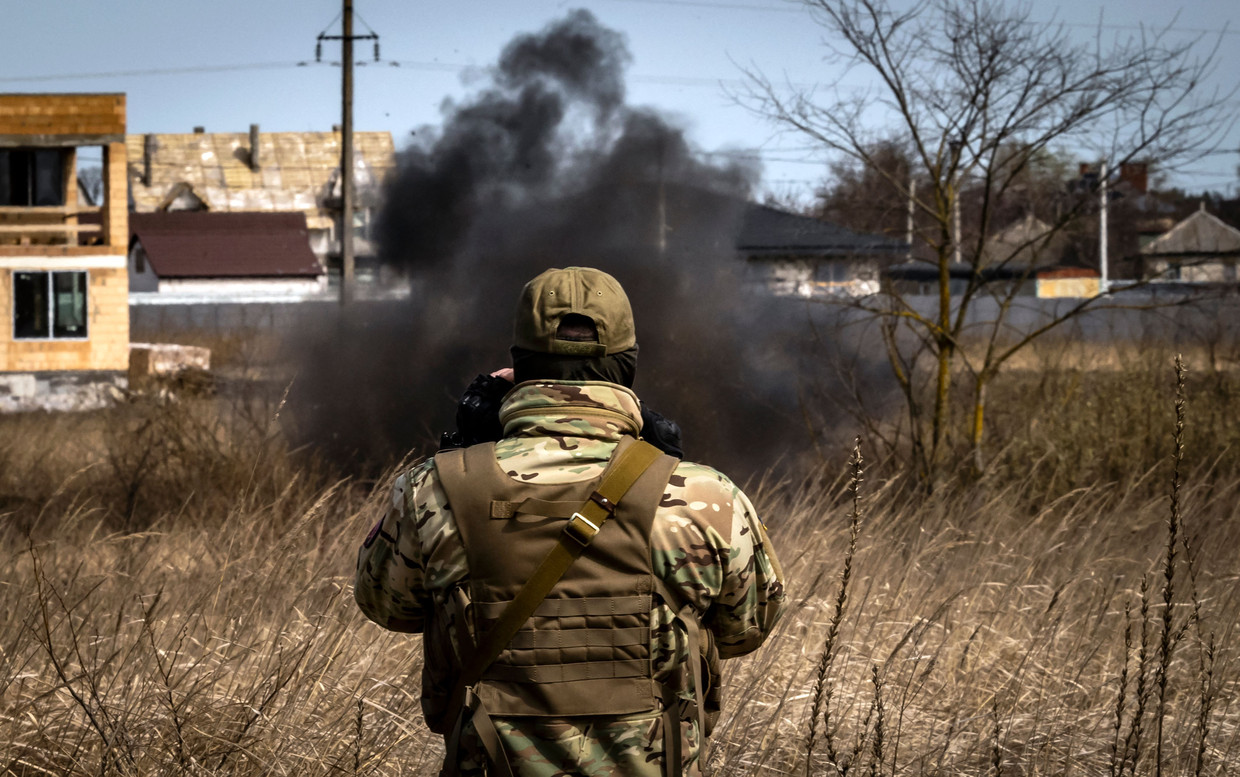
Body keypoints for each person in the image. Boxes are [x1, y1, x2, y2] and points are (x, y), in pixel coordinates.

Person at [355, 266, 785, 777]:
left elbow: (387, 606)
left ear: (518, 366)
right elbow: (747, 627)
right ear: (627, 366)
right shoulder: (704, 494)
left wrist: (464, 454)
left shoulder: (431, 489)